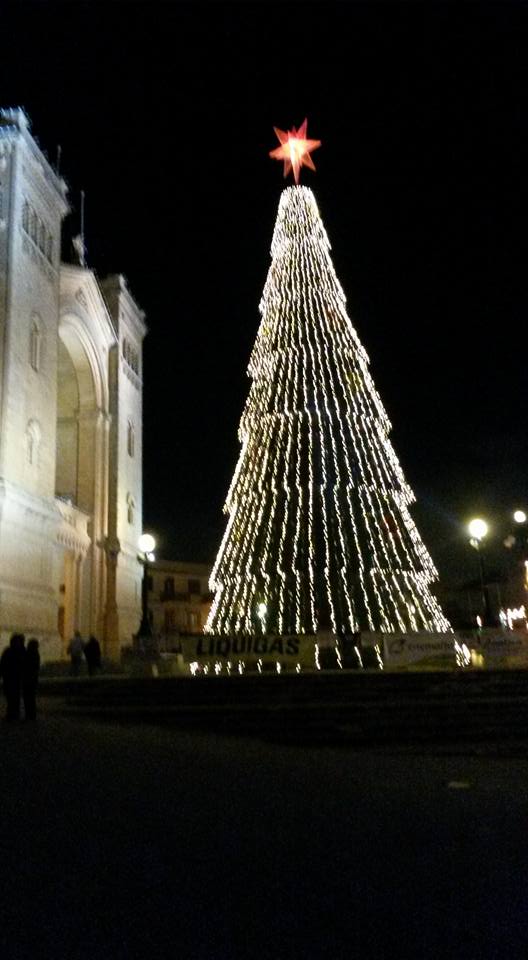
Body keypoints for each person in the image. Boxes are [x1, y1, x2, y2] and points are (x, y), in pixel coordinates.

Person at [0, 633, 26, 720]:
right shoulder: (22, 651)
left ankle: (12, 713)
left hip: (11, 677)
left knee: (12, 696)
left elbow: (3, 664)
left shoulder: (9, 651)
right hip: (13, 677)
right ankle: (14, 713)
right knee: (13, 696)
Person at [23, 638, 40, 721]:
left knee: (28, 698)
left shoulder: (29, 653)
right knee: (31, 698)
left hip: (28, 678)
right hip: (33, 679)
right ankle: (31, 715)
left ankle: (29, 715)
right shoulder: (36, 653)